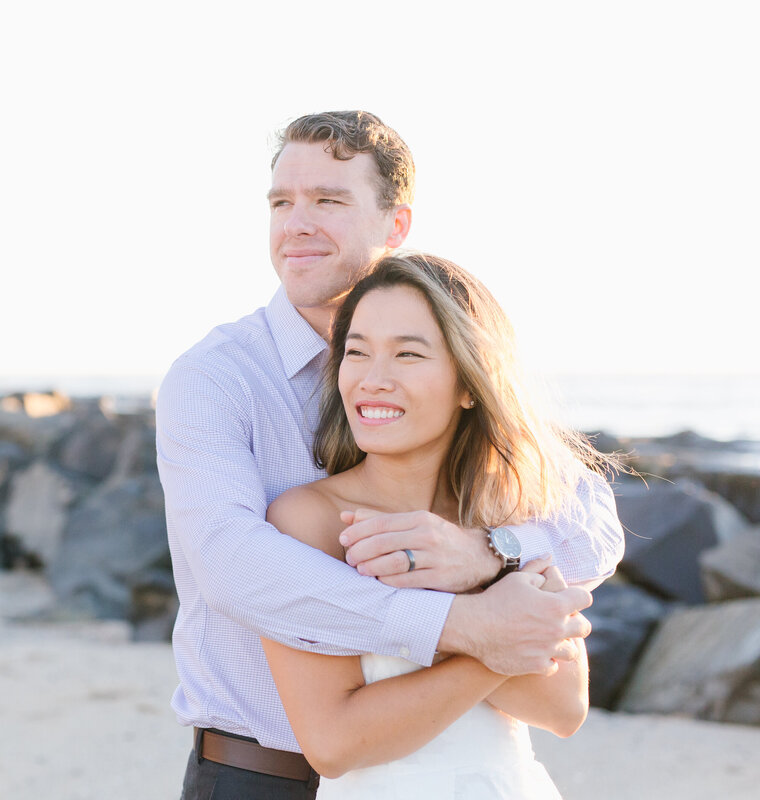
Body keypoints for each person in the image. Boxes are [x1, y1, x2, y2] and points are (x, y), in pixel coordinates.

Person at [155, 110, 623, 799]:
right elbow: (232, 566)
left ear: (395, 224)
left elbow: (591, 517)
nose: (297, 224)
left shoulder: (472, 439)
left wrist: (490, 556)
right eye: (282, 202)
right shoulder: (214, 379)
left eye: (329, 201)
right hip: (261, 772)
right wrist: (473, 625)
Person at [263, 251, 617, 797]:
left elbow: (565, 707)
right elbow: (333, 742)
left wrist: (479, 583)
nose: (373, 380)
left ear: (469, 383)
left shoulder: (505, 522)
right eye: (357, 352)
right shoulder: (309, 520)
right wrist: (494, 631)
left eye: (408, 354)